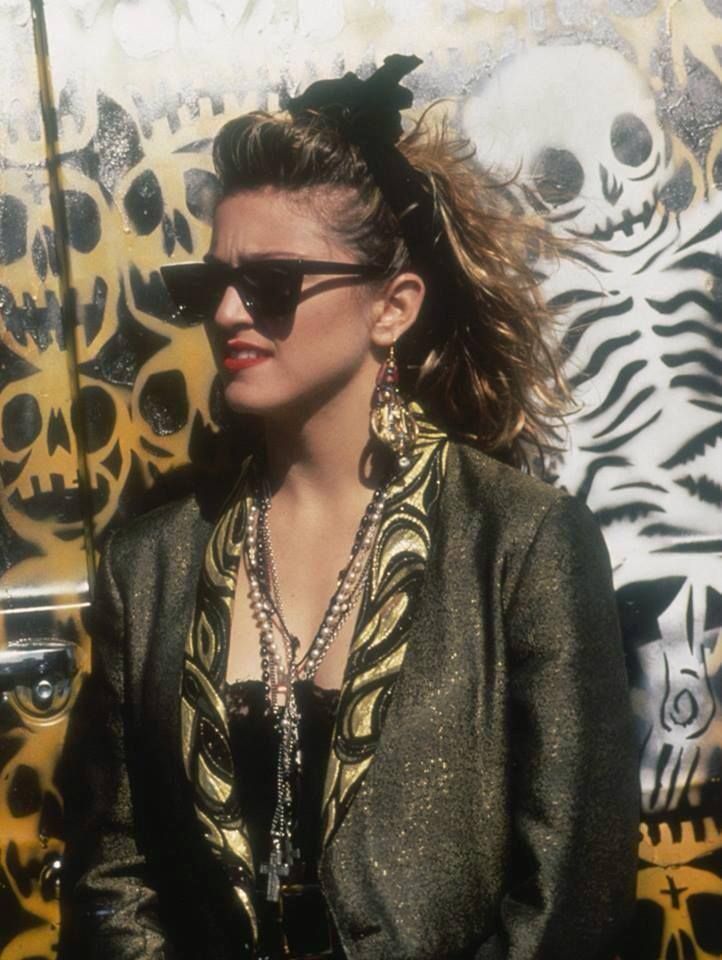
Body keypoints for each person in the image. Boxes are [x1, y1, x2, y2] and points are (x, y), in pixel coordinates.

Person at [58, 55, 639, 960]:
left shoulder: (521, 545)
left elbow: (571, 905)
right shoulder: (152, 566)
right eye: (210, 285)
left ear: (392, 308)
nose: (228, 314)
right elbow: (111, 880)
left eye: (273, 283)